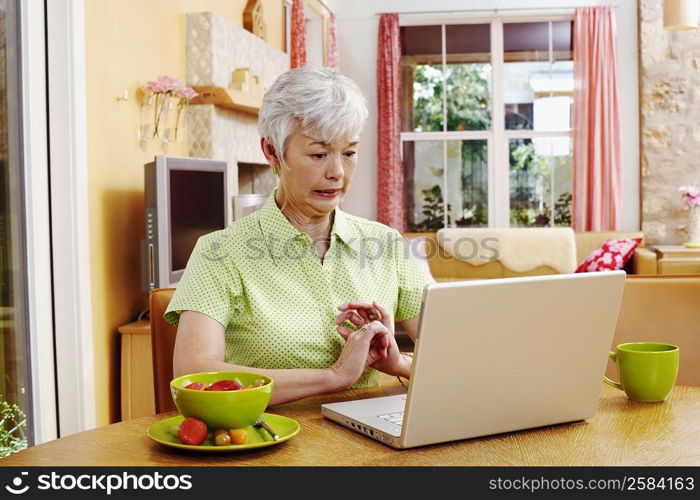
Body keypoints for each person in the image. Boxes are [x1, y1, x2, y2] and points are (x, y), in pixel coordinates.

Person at [165, 67, 433, 405]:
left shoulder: (388, 245)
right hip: (265, 448)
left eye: (349, 153)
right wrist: (335, 376)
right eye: (319, 154)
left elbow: (456, 356)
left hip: (369, 449)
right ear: (273, 152)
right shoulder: (219, 252)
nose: (337, 172)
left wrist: (399, 364)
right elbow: (194, 376)